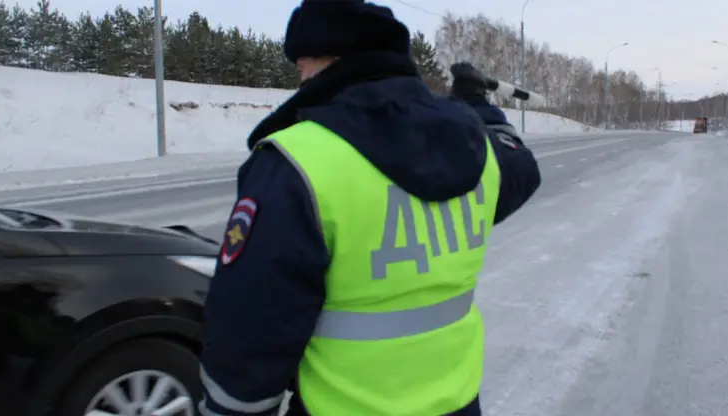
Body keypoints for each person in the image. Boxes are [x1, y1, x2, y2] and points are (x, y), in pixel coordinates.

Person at [199, 1, 541, 415]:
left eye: (301, 68)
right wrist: (478, 106)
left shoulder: (297, 161)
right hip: (458, 404)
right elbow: (518, 163)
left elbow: (249, 333)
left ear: (330, 61)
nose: (300, 81)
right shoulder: (470, 146)